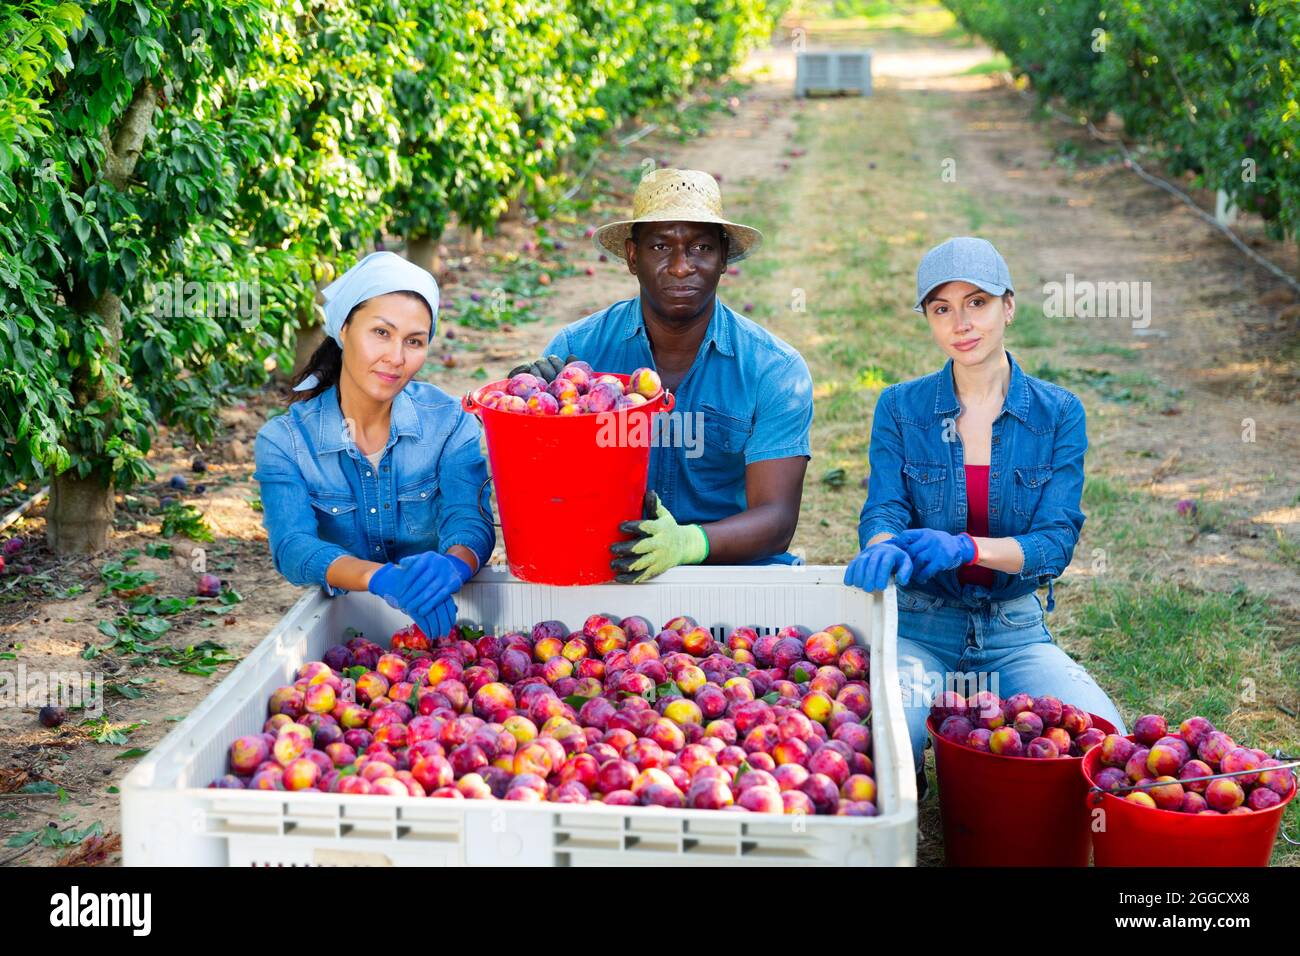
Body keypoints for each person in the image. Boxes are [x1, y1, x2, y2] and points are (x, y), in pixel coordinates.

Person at [843, 236, 1126, 784]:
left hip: (1013, 631)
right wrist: (880, 548)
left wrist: (967, 548)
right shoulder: (901, 408)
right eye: (942, 309)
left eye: (977, 302)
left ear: (1009, 307)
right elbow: (885, 507)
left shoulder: (1058, 413)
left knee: (1101, 749)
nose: (961, 323)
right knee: (882, 750)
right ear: (928, 319)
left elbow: (1053, 543)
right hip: (921, 628)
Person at [513, 168, 814, 582]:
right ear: (633, 257)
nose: (680, 267)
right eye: (660, 246)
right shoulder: (576, 356)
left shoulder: (774, 371)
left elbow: (776, 519)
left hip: (727, 570)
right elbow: (541, 495)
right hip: (607, 568)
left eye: (701, 247)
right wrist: (527, 418)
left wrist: (688, 544)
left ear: (723, 258)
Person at [253, 251, 494, 638]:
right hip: (348, 625)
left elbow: (469, 520)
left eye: (414, 341)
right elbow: (293, 546)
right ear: (344, 329)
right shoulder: (285, 442)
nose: (395, 358)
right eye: (381, 332)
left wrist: (455, 565)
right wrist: (380, 577)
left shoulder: (450, 423)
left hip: (447, 612)